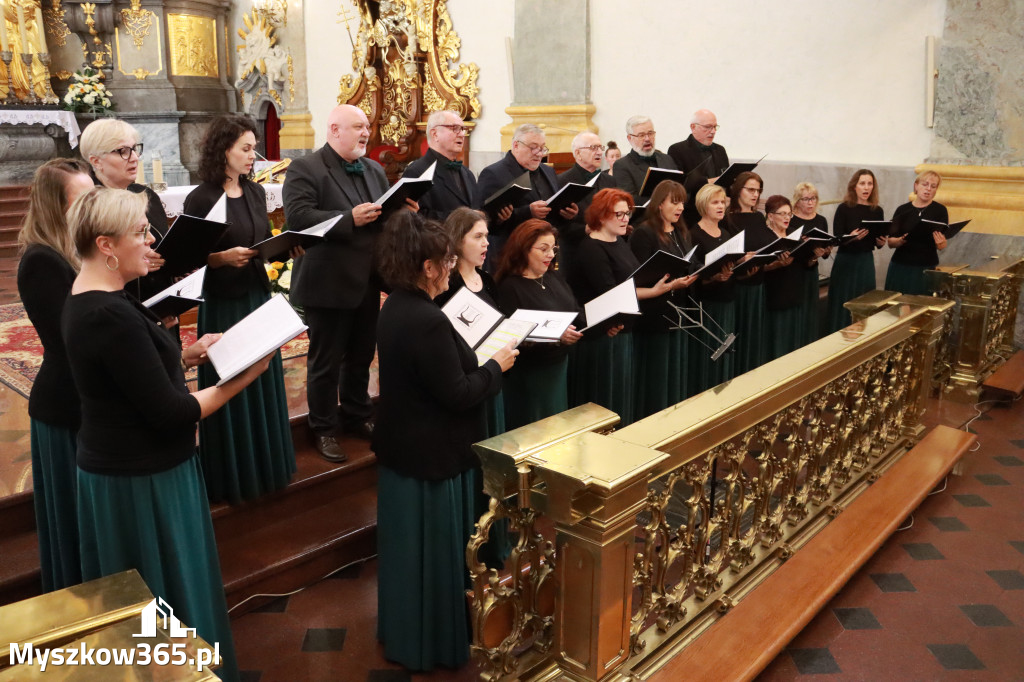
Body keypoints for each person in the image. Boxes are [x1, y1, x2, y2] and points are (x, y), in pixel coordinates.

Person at [62, 188, 274, 682]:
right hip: (140, 480)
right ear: (105, 244)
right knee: (163, 609)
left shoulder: (98, 298)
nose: (152, 240)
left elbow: (126, 378)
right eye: (140, 232)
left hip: (130, 468)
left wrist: (188, 355)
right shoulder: (107, 313)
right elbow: (172, 412)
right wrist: (245, 373)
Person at [372, 211, 517, 671]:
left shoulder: (395, 303)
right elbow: (457, 394)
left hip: (402, 451)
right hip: (431, 456)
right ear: (427, 267)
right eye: (447, 262)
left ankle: (404, 631)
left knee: (405, 559)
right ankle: (430, 643)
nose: (452, 268)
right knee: (431, 560)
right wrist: (495, 366)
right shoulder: (428, 319)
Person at [182, 114, 297, 503]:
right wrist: (217, 259)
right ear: (224, 151)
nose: (253, 156)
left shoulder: (253, 192)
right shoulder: (201, 197)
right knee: (228, 383)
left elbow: (263, 240)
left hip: (255, 298)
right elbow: (189, 259)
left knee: (261, 382)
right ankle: (232, 477)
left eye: (253, 148)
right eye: (246, 149)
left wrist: (285, 247)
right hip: (222, 306)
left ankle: (267, 468)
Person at [283, 104, 403, 462]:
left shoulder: (374, 169)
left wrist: (401, 210)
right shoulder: (306, 168)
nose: (366, 133)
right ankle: (323, 427)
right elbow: (299, 218)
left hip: (367, 278)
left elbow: (381, 217)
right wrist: (347, 218)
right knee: (326, 361)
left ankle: (357, 414)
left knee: (363, 354)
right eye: (357, 127)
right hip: (328, 282)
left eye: (367, 126)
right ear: (334, 129)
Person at [16, 158, 94, 592]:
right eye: (82, 199)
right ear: (53, 206)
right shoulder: (41, 261)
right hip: (64, 405)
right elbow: (70, 336)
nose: (91, 206)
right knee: (73, 515)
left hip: (88, 399)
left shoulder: (77, 250)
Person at [568, 188, 675, 426]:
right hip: (600, 337)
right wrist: (655, 291)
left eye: (627, 213)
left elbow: (630, 282)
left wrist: (657, 287)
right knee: (602, 402)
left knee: (620, 398)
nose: (625, 219)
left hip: (621, 331)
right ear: (601, 215)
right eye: (619, 214)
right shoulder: (591, 248)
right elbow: (611, 293)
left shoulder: (619, 241)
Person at [495, 219, 583, 429]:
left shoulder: (553, 277)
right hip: (530, 378)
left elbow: (575, 311)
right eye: (543, 249)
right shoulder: (509, 288)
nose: (551, 255)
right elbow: (513, 340)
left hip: (558, 369)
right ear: (524, 249)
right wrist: (556, 337)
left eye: (553, 248)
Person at [79, 118, 171, 305]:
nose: (135, 158)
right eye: (123, 151)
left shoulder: (146, 195)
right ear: (96, 161)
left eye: (134, 149)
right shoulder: (90, 206)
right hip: (121, 302)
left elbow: (163, 243)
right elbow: (86, 260)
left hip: (162, 298)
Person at [629, 180, 699, 416]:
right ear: (659, 204)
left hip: (678, 309)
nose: (680, 208)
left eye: (682, 203)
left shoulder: (680, 230)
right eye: (674, 202)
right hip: (655, 314)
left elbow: (687, 262)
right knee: (657, 373)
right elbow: (638, 278)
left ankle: (674, 413)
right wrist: (670, 284)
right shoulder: (644, 232)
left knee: (674, 369)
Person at [435, 207, 505, 436]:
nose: (486, 243)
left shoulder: (486, 279)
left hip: (492, 373)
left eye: (486, 236)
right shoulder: (447, 284)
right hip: (465, 380)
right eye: (477, 237)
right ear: (457, 240)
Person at [477, 123, 578, 267]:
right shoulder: (493, 174)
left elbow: (552, 213)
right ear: (516, 145)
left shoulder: (548, 171)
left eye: (542, 148)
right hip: (511, 258)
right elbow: (486, 220)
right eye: (533, 147)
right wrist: (528, 212)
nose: (539, 153)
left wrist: (566, 214)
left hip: (544, 255)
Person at [689, 183, 738, 393]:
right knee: (710, 349)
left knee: (726, 346)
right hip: (708, 303)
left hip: (727, 299)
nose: (721, 206)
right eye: (715, 202)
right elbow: (695, 274)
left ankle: (724, 388)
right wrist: (715, 277)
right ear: (703, 205)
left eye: (723, 202)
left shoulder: (726, 233)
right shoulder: (694, 234)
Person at [826, 169, 885, 333]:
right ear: (854, 186)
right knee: (843, 301)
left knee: (864, 301)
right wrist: (850, 237)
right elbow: (837, 238)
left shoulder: (877, 210)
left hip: (865, 262)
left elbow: (877, 241)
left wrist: (881, 242)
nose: (866, 188)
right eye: (862, 183)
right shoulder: (844, 208)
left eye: (870, 184)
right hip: (846, 262)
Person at [726, 171, 772, 374]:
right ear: (738, 190)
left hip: (758, 285)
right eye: (751, 190)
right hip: (739, 287)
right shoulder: (729, 218)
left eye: (758, 191)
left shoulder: (758, 216)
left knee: (755, 335)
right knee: (740, 334)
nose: (755, 194)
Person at [556, 131, 617, 278]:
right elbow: (559, 225)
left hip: (607, 251)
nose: (599, 153)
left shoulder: (609, 180)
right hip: (577, 254)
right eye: (593, 148)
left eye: (600, 148)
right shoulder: (562, 181)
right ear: (578, 153)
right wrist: (587, 228)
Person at [402, 110, 479, 221]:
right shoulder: (417, 171)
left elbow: (476, 209)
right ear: (435, 134)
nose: (462, 134)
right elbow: (417, 217)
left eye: (463, 129)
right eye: (455, 128)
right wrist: (463, 220)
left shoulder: (468, 174)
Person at [885, 171, 948, 296]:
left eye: (933, 186)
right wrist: (899, 241)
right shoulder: (902, 210)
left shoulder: (940, 210)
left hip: (926, 267)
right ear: (916, 186)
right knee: (898, 309)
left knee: (922, 310)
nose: (928, 189)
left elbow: (941, 245)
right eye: (925, 184)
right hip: (901, 266)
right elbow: (890, 243)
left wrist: (941, 243)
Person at [762, 196, 809, 360]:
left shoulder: (795, 234)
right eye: (782, 214)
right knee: (777, 340)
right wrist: (777, 265)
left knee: (793, 340)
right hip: (776, 294)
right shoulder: (765, 237)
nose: (786, 218)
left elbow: (804, 261)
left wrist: (814, 255)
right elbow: (761, 268)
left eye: (789, 214)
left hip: (795, 291)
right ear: (770, 216)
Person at [791, 182, 831, 343]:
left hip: (812, 271)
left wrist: (826, 251)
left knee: (810, 311)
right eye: (806, 199)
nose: (810, 203)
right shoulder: (792, 220)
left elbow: (825, 248)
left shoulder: (821, 220)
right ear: (797, 201)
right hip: (794, 273)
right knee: (797, 312)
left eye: (813, 198)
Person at [612, 115, 678, 206]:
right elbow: (629, 199)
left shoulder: (667, 159)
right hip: (644, 218)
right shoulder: (622, 165)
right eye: (641, 135)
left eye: (650, 133)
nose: (647, 139)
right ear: (630, 138)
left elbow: (679, 188)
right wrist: (663, 202)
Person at [667, 109, 730, 182]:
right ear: (693, 127)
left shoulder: (720, 150)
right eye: (707, 127)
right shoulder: (677, 150)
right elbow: (679, 184)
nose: (713, 131)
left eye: (715, 127)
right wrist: (710, 182)